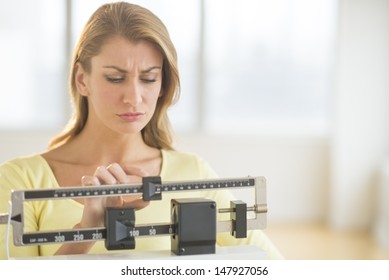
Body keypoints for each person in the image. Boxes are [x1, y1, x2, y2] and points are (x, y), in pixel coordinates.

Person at [0, 2, 283, 260]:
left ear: (163, 84)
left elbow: (272, 266)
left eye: (148, 78)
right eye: (115, 78)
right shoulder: (19, 180)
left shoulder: (194, 172)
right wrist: (86, 231)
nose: (133, 98)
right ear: (82, 79)